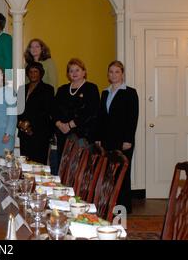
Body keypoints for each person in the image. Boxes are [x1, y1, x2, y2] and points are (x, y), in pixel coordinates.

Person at [96, 60, 139, 213]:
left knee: (123, 174)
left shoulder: (130, 92)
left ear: (122, 74)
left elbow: (132, 118)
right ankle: (110, 205)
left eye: (117, 72)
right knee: (109, 173)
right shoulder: (105, 92)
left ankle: (124, 207)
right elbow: (101, 118)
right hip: (107, 140)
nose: (113, 75)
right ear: (108, 74)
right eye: (111, 72)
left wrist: (128, 139)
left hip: (123, 141)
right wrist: (98, 137)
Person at [53, 58, 100, 175]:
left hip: (82, 136)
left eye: (77, 70)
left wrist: (70, 125)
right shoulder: (62, 89)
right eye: (71, 70)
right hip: (63, 135)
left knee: (80, 170)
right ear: (68, 74)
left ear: (84, 72)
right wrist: (59, 124)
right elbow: (53, 110)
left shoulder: (91, 88)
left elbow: (91, 112)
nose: (74, 73)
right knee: (64, 169)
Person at [17, 62, 55, 164]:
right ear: (27, 74)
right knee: (25, 163)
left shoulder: (48, 89)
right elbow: (17, 110)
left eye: (35, 72)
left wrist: (30, 126)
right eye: (30, 72)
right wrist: (20, 124)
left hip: (40, 133)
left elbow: (46, 112)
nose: (33, 74)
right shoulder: (22, 89)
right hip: (24, 133)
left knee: (38, 164)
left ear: (41, 73)